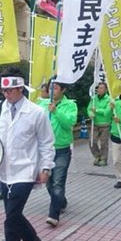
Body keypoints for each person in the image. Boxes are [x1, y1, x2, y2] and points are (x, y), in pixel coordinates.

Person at [0, 66, 55, 241]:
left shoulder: (36, 113)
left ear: (20, 88)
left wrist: (46, 168)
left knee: (10, 221)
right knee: (14, 215)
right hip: (3, 171)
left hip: (26, 171)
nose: (6, 94)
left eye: (10, 90)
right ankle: (32, 240)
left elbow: (46, 142)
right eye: (4, 90)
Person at [38, 78, 78, 227]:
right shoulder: (41, 104)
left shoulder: (70, 105)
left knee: (58, 182)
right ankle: (60, 201)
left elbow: (69, 123)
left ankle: (53, 215)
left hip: (62, 149)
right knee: (49, 182)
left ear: (63, 90)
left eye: (55, 88)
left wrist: (56, 111)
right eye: (50, 88)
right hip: (45, 149)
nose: (51, 91)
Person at [87, 82, 112, 166]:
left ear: (106, 90)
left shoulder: (109, 99)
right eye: (98, 88)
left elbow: (107, 112)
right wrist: (90, 114)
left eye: (102, 88)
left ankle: (104, 159)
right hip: (95, 123)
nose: (99, 90)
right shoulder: (93, 99)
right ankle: (97, 156)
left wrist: (96, 111)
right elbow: (89, 108)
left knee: (104, 143)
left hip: (105, 124)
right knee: (92, 141)